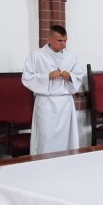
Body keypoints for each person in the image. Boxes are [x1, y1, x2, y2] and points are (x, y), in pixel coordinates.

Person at [22, 25, 84, 155]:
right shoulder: (36, 56)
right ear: (49, 39)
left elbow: (79, 76)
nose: (63, 44)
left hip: (65, 103)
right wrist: (47, 77)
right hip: (46, 104)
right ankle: (43, 165)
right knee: (46, 138)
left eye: (65, 40)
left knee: (66, 140)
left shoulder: (70, 57)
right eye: (59, 41)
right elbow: (27, 78)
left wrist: (70, 77)